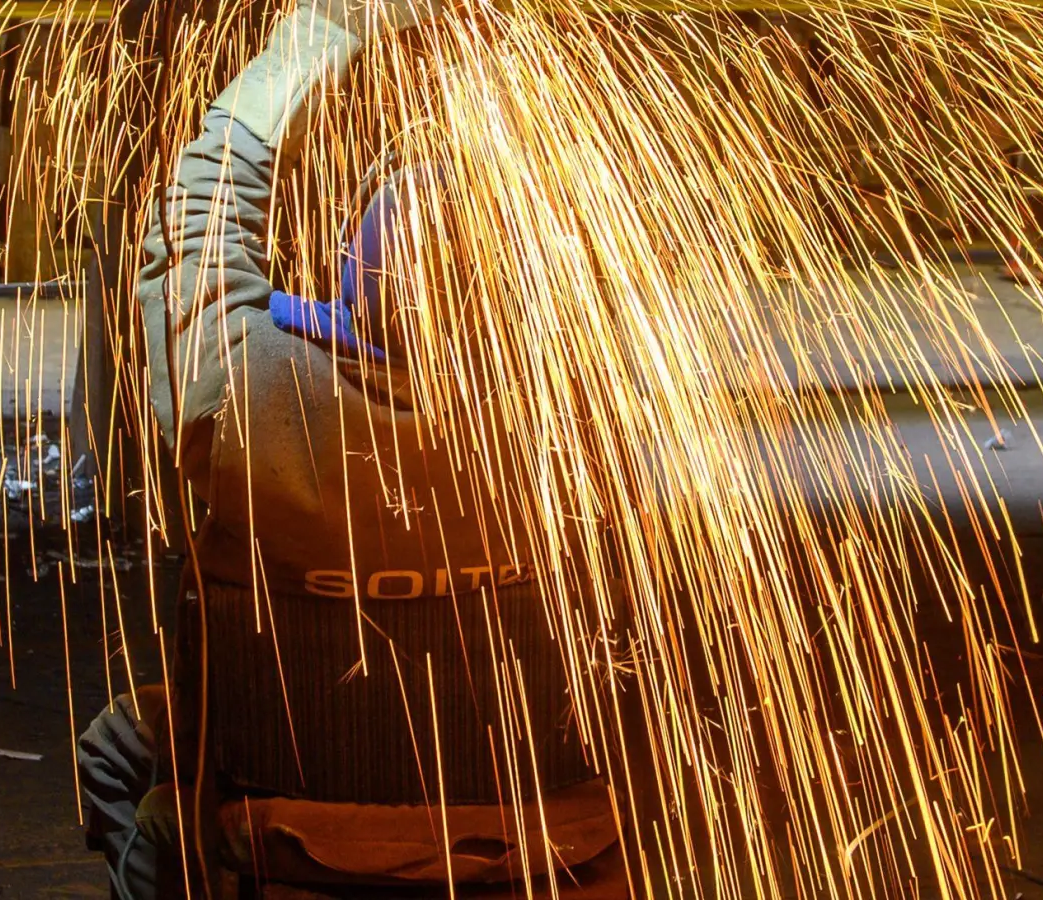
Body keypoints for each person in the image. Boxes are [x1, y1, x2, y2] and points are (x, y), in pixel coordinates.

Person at [77, 1, 631, 897]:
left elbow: (204, 202)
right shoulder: (584, 415)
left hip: (290, 838)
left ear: (344, 279)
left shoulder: (245, 396)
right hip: (541, 838)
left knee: (122, 760)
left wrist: (320, 42)